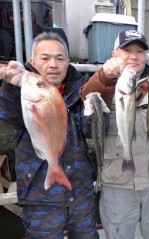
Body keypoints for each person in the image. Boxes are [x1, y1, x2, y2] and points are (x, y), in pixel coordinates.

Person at [80, 29, 149, 239]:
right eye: (127, 50)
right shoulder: (103, 81)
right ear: (115, 53)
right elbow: (88, 111)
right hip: (117, 181)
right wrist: (105, 78)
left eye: (140, 51)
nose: (134, 56)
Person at [0, 32, 99, 238]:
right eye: (45, 58)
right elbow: (10, 115)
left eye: (59, 58)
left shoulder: (81, 90)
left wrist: (93, 105)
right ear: (32, 62)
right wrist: (10, 86)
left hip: (81, 194)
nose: (53, 64)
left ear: (68, 62)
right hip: (40, 197)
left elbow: (90, 130)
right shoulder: (22, 91)